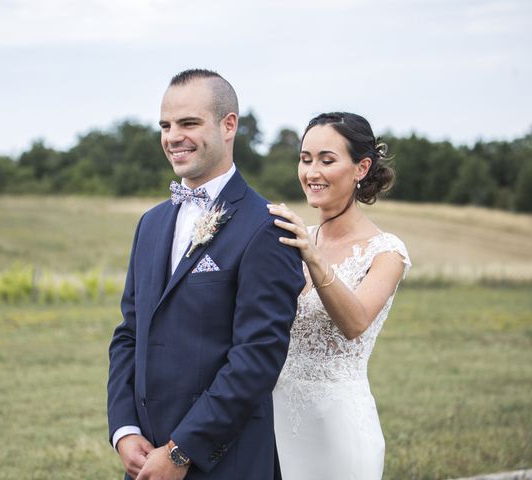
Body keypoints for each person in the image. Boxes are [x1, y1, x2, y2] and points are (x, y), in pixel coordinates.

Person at [107, 69, 305, 480]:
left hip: (223, 460)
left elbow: (257, 357)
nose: (173, 136)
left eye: (189, 123)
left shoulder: (265, 228)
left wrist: (182, 452)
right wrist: (124, 430)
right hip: (145, 460)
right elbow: (130, 332)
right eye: (166, 125)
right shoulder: (150, 223)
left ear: (228, 125)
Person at [268, 112, 411, 479]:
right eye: (305, 159)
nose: (312, 172)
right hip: (275, 420)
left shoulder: (386, 252)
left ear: (361, 167)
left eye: (326, 160)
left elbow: (355, 322)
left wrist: (312, 257)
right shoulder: (294, 239)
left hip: (338, 428)